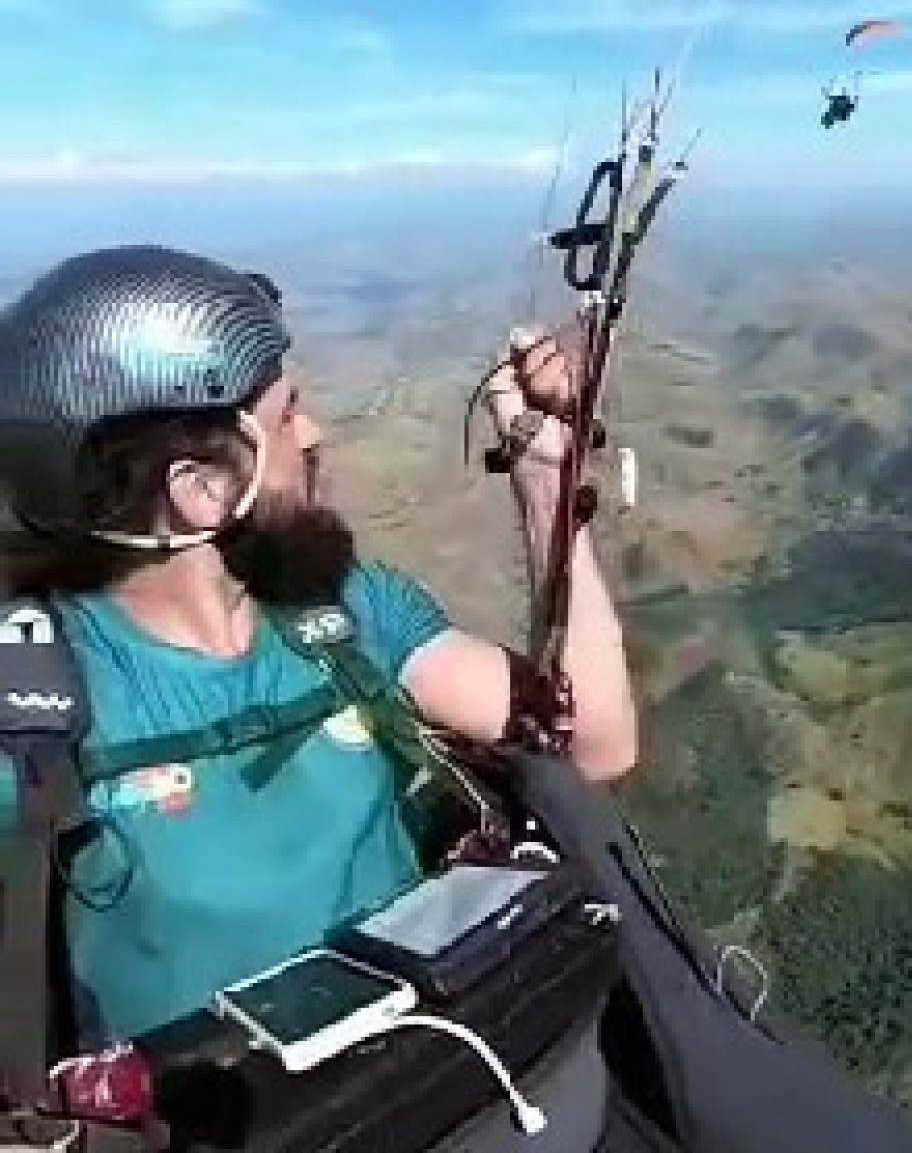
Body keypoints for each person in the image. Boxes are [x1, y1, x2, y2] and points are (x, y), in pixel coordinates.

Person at [0, 243, 640, 1048]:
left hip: (442, 1088)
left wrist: (546, 472)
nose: (314, 431)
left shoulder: (346, 611)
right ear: (202, 491)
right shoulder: (35, 700)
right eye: (286, 412)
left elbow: (596, 745)